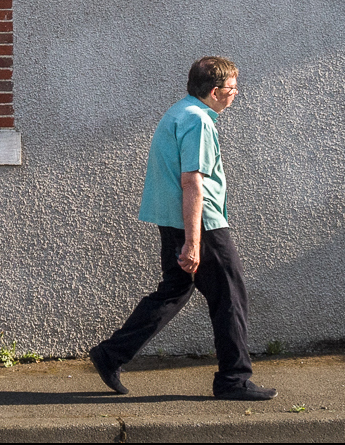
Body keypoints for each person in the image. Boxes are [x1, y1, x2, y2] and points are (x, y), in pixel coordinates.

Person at [88, 56, 277, 401]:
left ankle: (111, 354)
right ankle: (234, 379)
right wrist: (194, 242)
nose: (237, 93)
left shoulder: (179, 111)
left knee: (174, 291)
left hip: (174, 222)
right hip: (201, 226)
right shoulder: (198, 122)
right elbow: (192, 182)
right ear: (216, 91)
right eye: (233, 88)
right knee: (230, 297)